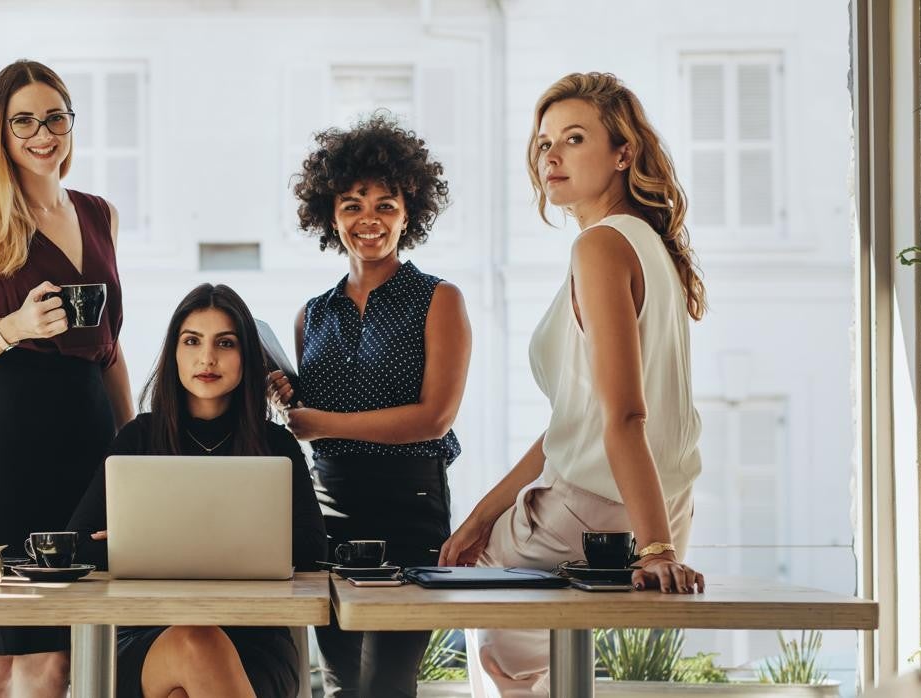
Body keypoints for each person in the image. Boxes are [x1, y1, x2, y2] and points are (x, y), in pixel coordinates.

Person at [437, 71, 707, 696]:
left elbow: (624, 417)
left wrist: (656, 551)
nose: (551, 155)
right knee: (534, 662)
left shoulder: (600, 248)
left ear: (622, 153)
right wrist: (486, 512)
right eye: (543, 142)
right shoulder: (650, 246)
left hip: (593, 513)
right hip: (655, 504)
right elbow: (578, 423)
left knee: (497, 654)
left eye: (575, 138)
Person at [0, 59, 133, 697]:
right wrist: (9, 330)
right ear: (1, 133)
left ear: (71, 123)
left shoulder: (100, 214)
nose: (43, 133)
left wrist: (128, 449)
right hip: (3, 445)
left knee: (57, 660)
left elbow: (110, 348)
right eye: (23, 121)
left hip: (86, 444)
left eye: (55, 117)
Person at [269, 112, 472, 698]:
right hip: (328, 507)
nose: (370, 220)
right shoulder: (314, 312)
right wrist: (289, 396)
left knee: (386, 682)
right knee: (339, 684)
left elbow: (435, 416)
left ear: (410, 213)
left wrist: (318, 422)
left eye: (386, 205)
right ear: (330, 214)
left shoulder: (440, 299)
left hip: (411, 508)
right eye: (354, 203)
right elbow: (313, 414)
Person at [67, 283, 328, 698]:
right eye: (192, 341)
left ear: (247, 357)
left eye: (225, 343)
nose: (207, 357)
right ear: (175, 352)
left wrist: (152, 545)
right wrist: (232, 545)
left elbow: (314, 547)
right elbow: (78, 545)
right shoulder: (139, 438)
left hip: (255, 639)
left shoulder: (275, 444)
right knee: (195, 641)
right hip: (147, 634)